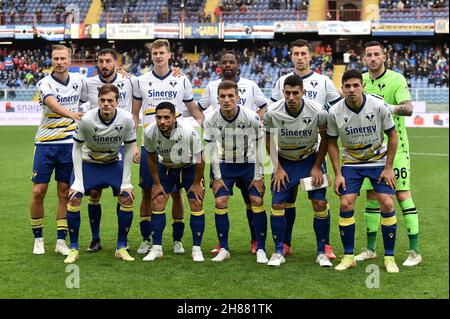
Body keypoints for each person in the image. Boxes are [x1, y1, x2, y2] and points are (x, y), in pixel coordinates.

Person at [132, 39, 204, 256]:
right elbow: (134, 113)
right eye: (155, 53)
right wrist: (135, 144)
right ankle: (147, 239)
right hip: (150, 145)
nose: (158, 56)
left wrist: (206, 129)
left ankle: (177, 239)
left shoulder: (181, 79)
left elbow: (192, 108)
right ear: (151, 56)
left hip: (178, 145)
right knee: (149, 192)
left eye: (162, 52)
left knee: (176, 195)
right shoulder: (141, 81)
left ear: (169, 55)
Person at [271, 39, 341, 258]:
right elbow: (272, 115)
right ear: (290, 56)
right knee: (286, 200)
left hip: (314, 156)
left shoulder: (323, 81)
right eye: (295, 53)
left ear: (310, 56)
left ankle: (325, 246)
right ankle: (285, 244)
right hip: (286, 154)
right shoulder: (281, 81)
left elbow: (339, 110)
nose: (300, 57)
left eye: (303, 53)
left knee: (319, 201)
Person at [357, 41, 422, 267]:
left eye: (377, 54)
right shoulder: (361, 81)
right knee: (373, 197)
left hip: (396, 148)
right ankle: (371, 249)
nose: (373, 58)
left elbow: (408, 108)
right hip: (369, 151)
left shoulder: (396, 79)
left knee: (402, 195)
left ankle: (415, 251)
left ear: (384, 57)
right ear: (364, 58)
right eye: (369, 55)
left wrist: (387, 106)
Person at [327, 69, 400, 273]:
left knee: (386, 202)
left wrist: (388, 168)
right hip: (351, 162)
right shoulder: (335, 112)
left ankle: (389, 257)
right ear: (342, 89)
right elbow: (331, 142)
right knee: (345, 202)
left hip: (378, 161)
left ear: (363, 87)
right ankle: (349, 256)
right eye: (347, 86)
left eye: (355, 85)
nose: (352, 90)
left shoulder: (378, 106)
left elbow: (392, 136)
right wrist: (338, 173)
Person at [198, 50, 269, 256]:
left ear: (238, 97)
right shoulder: (211, 120)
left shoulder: (251, 117)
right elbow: (211, 151)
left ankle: (260, 246)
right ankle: (224, 248)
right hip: (224, 162)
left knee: (256, 200)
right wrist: (217, 178)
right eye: (223, 97)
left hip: (248, 163)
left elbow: (259, 146)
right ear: (217, 98)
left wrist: (258, 177)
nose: (227, 100)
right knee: (220, 201)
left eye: (231, 96)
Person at [64, 83, 136, 263]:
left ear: (117, 102)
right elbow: (76, 148)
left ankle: (121, 247)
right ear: (98, 101)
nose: (106, 104)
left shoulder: (126, 119)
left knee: (127, 196)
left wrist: (126, 181)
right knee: (73, 197)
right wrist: (78, 182)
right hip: (89, 164)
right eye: (102, 100)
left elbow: (128, 150)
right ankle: (74, 248)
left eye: (110, 100)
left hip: (112, 163)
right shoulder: (86, 119)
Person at [264, 74, 331, 267]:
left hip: (310, 160)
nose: (291, 97)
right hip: (284, 162)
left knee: (319, 203)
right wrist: (277, 168)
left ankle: (322, 252)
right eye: (287, 93)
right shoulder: (272, 112)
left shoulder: (317, 110)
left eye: (295, 93)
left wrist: (317, 166)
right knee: (277, 205)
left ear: (303, 92)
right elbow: (267, 139)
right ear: (283, 93)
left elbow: (326, 138)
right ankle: (278, 251)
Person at [29, 44, 87, 256]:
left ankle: (61, 241)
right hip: (46, 144)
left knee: (64, 193)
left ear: (70, 60)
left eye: (63, 58)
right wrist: (71, 115)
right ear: (51, 61)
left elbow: (101, 87)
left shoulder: (80, 81)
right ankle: (38, 238)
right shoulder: (44, 82)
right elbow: (52, 104)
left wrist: (122, 73)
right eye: (56, 59)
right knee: (38, 191)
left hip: (69, 145)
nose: (60, 62)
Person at [83, 48, 139, 253]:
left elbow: (138, 108)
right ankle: (95, 239)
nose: (104, 64)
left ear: (116, 62)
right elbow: (74, 100)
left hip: (120, 146)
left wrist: (133, 147)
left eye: (108, 61)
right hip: (95, 147)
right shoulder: (88, 83)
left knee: (123, 193)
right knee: (94, 193)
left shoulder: (130, 81)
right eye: (101, 61)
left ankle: (122, 241)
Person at [142, 102, 205, 262]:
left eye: (166, 118)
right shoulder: (149, 132)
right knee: (157, 202)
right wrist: (156, 183)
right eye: (159, 117)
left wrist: (197, 184)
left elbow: (200, 158)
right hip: (167, 168)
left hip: (189, 167)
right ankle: (157, 248)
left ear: (174, 117)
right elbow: (151, 158)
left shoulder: (188, 132)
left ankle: (196, 249)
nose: (162, 121)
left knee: (196, 204)